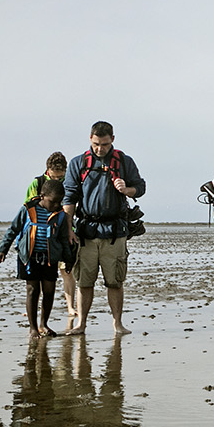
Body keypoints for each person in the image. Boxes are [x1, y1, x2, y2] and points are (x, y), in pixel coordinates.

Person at [62, 121, 146, 338]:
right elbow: (69, 196)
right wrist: (68, 228)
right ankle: (81, 325)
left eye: (105, 144)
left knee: (115, 282)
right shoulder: (77, 163)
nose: (100, 149)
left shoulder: (124, 162)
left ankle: (118, 324)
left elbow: (141, 187)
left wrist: (127, 189)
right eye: (97, 144)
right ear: (90, 139)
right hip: (86, 232)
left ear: (113, 140)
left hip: (115, 233)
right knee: (84, 282)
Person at [0, 182, 69, 335]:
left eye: (59, 201)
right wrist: (3, 250)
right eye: (53, 201)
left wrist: (68, 259)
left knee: (49, 290)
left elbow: (63, 239)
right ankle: (33, 328)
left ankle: (44, 324)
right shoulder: (27, 210)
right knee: (32, 290)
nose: (56, 204)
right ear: (42, 196)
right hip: (29, 257)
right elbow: (13, 230)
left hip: (50, 258)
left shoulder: (61, 215)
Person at [24, 152, 77, 327]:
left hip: (64, 231)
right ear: (48, 171)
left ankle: (70, 306)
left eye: (61, 176)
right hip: (40, 236)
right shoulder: (37, 183)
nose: (59, 179)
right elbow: (28, 208)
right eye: (55, 176)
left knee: (66, 271)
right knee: (35, 281)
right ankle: (34, 313)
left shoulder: (71, 181)